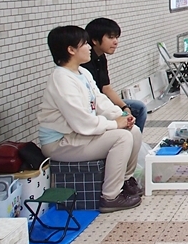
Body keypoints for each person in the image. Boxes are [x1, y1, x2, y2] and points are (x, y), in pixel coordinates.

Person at [37, 25, 143, 213]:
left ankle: (126, 181)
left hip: (77, 136)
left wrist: (121, 116)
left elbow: (100, 100)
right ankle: (110, 197)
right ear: (71, 50)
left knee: (132, 131)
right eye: (84, 44)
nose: (88, 47)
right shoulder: (61, 79)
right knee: (122, 137)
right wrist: (114, 124)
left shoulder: (82, 73)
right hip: (60, 143)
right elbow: (83, 123)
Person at [82, 18, 148, 131]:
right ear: (94, 40)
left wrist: (124, 107)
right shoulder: (84, 62)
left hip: (103, 101)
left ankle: (133, 138)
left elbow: (106, 88)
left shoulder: (101, 57)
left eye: (116, 37)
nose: (116, 42)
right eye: (111, 37)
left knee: (139, 107)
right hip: (94, 105)